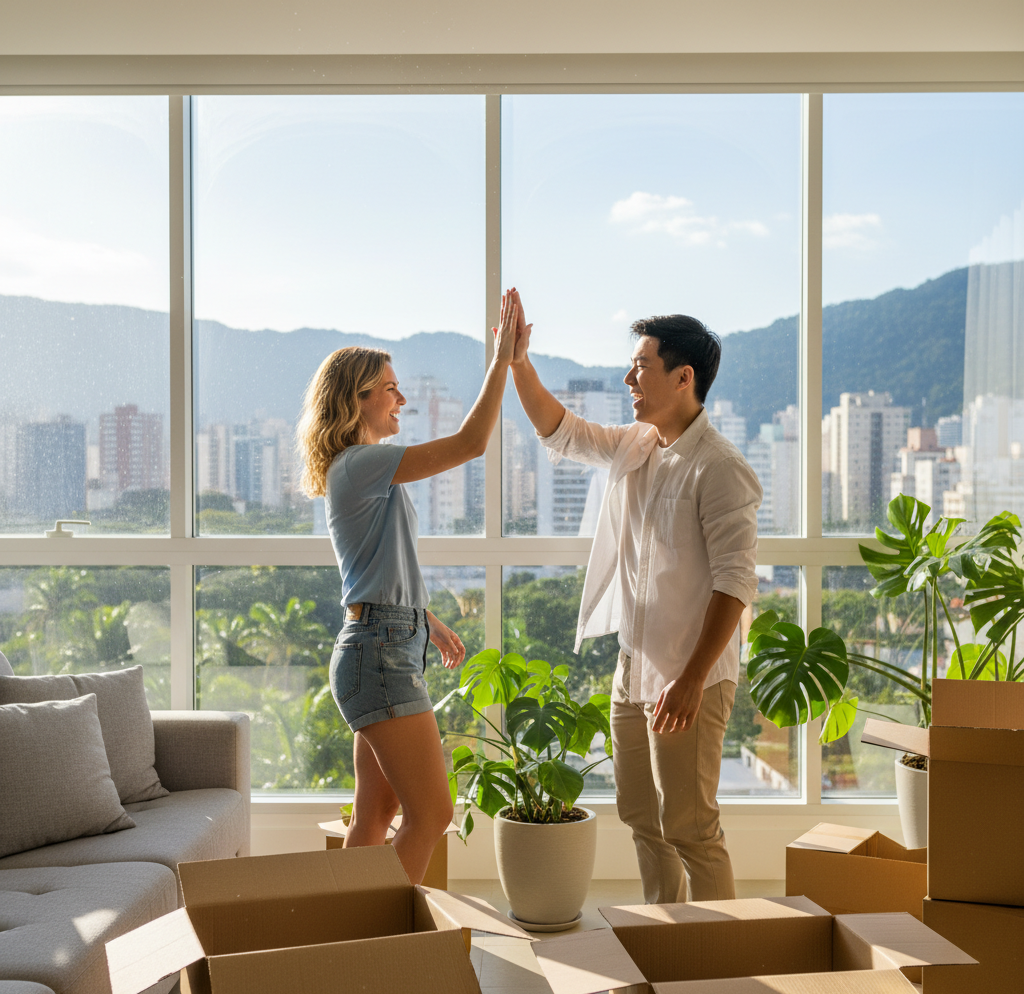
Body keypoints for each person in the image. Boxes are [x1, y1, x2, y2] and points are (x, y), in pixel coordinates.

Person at [508, 293, 761, 904]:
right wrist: (518, 362)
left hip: (689, 676)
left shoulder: (721, 467)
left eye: (640, 366)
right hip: (634, 669)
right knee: (642, 820)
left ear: (683, 378)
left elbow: (736, 583)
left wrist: (693, 678)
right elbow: (560, 430)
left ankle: (719, 968)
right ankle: (665, 939)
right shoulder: (638, 445)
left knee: (692, 830)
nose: (628, 378)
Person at [296, 289, 520, 884]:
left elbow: (380, 567)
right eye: (390, 388)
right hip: (381, 654)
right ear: (359, 398)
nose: (402, 398)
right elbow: (471, 444)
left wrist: (429, 621)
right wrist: (503, 361)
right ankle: (385, 944)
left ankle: (348, 945)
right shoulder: (361, 463)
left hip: (381, 642)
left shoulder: (360, 466)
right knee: (433, 813)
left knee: (376, 814)